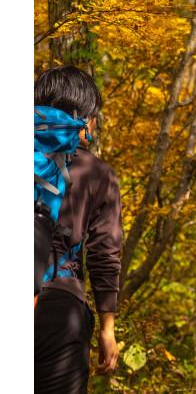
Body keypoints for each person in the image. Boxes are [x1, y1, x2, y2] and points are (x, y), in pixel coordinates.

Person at [34, 66, 122, 393]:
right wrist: (107, 328)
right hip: (60, 310)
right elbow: (104, 254)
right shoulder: (96, 172)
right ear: (83, 119)